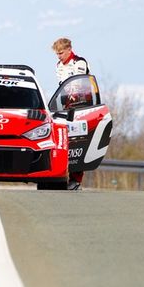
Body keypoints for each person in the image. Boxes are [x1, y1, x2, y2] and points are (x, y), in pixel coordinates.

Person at [52, 37, 90, 190]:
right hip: (66, 107)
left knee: (78, 143)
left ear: (69, 49)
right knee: (63, 142)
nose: (59, 56)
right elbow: (62, 86)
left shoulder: (79, 62)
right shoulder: (58, 65)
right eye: (57, 54)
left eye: (61, 53)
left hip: (81, 107)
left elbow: (78, 84)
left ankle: (76, 180)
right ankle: (60, 176)